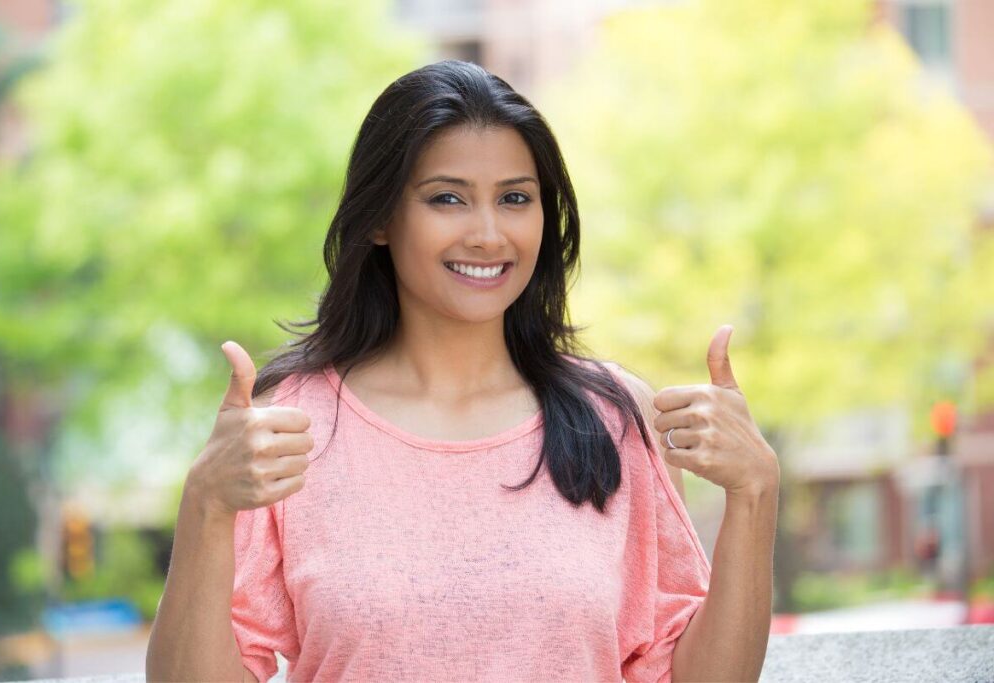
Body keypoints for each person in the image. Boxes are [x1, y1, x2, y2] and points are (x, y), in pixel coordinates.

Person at [146, 60, 779, 682]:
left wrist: (754, 494)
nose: (487, 233)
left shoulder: (611, 414)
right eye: (447, 198)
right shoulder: (294, 422)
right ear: (379, 220)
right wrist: (206, 502)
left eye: (514, 199)